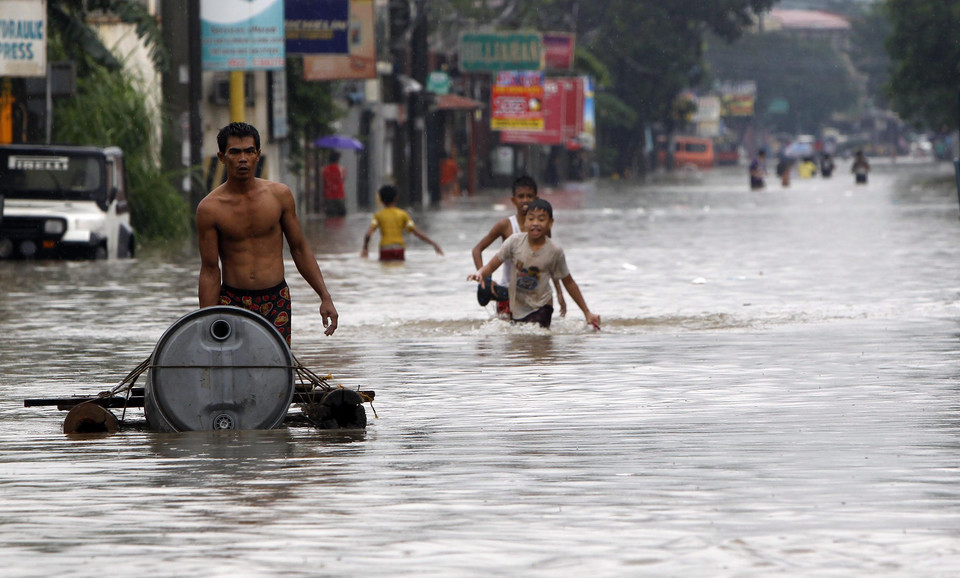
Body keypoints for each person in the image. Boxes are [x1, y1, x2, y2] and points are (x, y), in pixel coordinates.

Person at [197, 122, 338, 345]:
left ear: (258, 155)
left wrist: (325, 297)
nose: (242, 158)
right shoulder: (210, 208)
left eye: (249, 151)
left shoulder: (279, 196)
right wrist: (205, 320)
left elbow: (299, 248)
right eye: (234, 152)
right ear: (222, 157)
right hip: (232, 300)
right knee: (232, 368)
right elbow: (210, 269)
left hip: (276, 299)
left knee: (276, 367)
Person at [467, 198, 600, 330]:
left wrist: (587, 312)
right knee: (520, 344)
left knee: (538, 341)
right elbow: (492, 265)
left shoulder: (554, 251)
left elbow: (569, 282)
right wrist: (480, 273)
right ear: (525, 222)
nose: (535, 223)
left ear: (550, 223)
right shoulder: (514, 242)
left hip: (542, 306)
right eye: (531, 219)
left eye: (541, 220)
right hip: (517, 306)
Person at [471, 175, 566, 320]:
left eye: (529, 196)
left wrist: (559, 292)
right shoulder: (506, 226)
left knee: (538, 336)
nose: (525, 200)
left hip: (535, 294)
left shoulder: (543, 228)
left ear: (536, 199)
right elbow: (477, 249)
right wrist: (485, 279)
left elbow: (550, 262)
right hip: (507, 292)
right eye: (521, 196)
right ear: (513, 200)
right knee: (511, 336)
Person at [361, 185, 443, 261]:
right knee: (399, 270)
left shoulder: (378, 216)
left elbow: (368, 234)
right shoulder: (403, 214)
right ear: (396, 198)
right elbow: (416, 233)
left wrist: (365, 248)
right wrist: (433, 244)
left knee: (385, 272)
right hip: (399, 248)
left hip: (385, 249)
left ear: (381, 200)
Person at [322, 150, 347, 217]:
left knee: (329, 217)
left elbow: (324, 181)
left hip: (328, 196)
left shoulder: (325, 170)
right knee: (341, 218)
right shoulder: (341, 169)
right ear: (338, 159)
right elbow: (343, 179)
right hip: (340, 196)